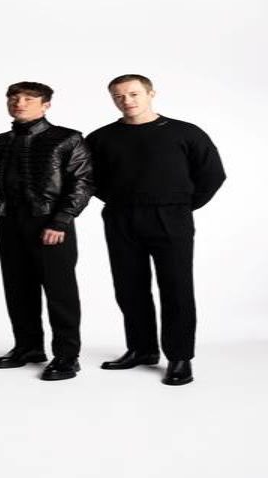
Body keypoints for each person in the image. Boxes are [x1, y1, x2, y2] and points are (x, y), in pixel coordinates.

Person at [87, 74, 226, 385]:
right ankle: (142, 349)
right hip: (121, 217)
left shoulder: (185, 132)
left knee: (176, 287)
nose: (127, 100)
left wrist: (181, 205)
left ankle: (180, 357)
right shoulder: (101, 138)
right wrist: (120, 200)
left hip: (171, 216)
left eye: (134, 93)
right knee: (129, 286)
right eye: (119, 96)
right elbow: (89, 179)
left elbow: (213, 174)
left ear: (151, 94)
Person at [0, 82, 94, 381]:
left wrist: (61, 221)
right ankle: (28, 347)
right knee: (17, 287)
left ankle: (67, 356)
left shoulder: (67, 138)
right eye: (14, 98)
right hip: (9, 220)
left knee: (60, 291)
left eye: (29, 99)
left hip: (50, 222)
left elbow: (82, 182)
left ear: (46, 105)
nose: (19, 103)